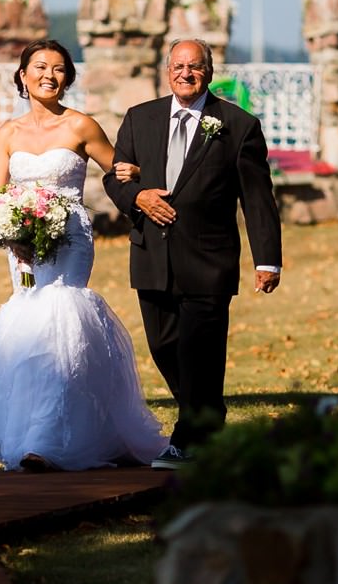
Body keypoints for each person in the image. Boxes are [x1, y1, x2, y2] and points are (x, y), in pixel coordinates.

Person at [0, 39, 169, 472]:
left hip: (69, 238)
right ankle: (32, 431)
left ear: (67, 77)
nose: (49, 75)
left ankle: (46, 441)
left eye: (59, 68)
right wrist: (10, 230)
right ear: (23, 75)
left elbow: (121, 169)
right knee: (30, 327)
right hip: (23, 244)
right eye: (40, 67)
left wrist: (136, 175)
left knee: (63, 322)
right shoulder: (7, 134)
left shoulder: (81, 126)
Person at [102, 38, 282, 469]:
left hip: (209, 261)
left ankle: (187, 442)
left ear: (210, 71)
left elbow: (257, 199)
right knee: (166, 348)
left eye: (195, 66)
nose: (186, 73)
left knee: (199, 351)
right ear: (167, 70)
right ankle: (208, 421)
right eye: (179, 66)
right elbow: (116, 177)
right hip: (152, 258)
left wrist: (267, 259)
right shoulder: (139, 118)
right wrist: (137, 198)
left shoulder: (238, 125)